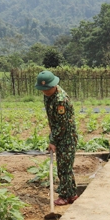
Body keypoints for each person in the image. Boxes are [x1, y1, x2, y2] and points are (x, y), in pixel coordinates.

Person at [36, 70, 79, 205]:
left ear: (53, 85)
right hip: (58, 133)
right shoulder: (48, 95)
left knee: (64, 167)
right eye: (43, 89)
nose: (45, 92)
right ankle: (72, 195)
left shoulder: (61, 100)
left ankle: (65, 196)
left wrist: (53, 141)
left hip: (66, 137)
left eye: (47, 89)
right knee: (64, 166)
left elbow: (62, 124)